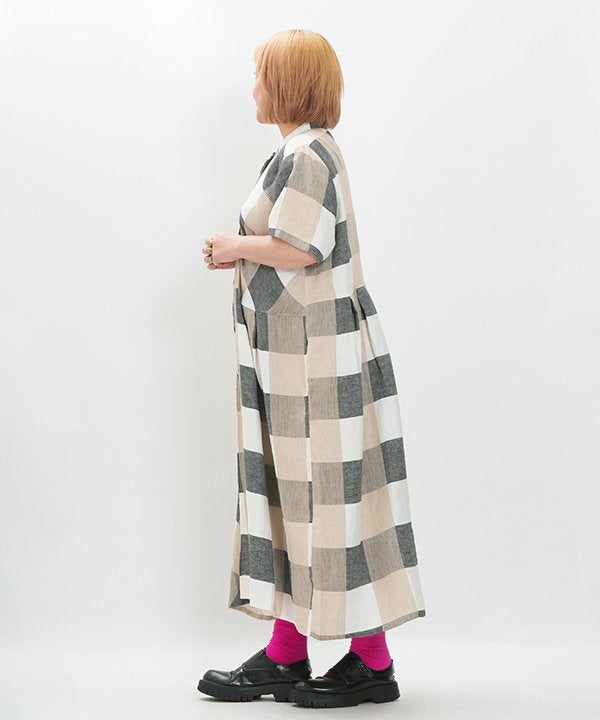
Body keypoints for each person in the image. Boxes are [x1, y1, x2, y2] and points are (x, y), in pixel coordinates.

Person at [197, 29, 426, 709]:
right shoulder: (302, 150)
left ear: (288, 84)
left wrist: (233, 245)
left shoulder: (306, 154)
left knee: (330, 501)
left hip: (316, 362)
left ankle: (364, 663)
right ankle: (290, 653)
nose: (252, 87)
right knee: (310, 500)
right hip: (302, 357)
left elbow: (301, 247)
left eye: (260, 75)